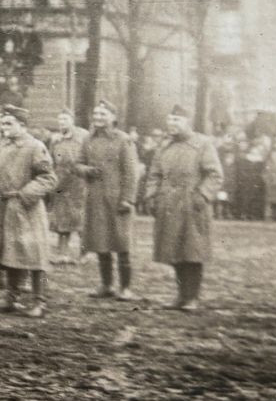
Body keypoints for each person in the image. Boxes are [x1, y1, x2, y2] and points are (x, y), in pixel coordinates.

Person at [0, 105, 59, 318]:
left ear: (22, 125)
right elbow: (0, 174)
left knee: (34, 255)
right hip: (6, 209)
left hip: (27, 209)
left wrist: (24, 195)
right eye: (2, 124)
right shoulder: (2, 146)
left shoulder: (34, 146)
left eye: (9, 124)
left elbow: (48, 178)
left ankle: (39, 301)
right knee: (12, 253)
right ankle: (11, 298)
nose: (4, 128)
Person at [141, 105, 223, 311]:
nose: (172, 124)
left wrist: (203, 195)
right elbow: (154, 174)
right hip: (168, 204)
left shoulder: (202, 144)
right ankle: (181, 295)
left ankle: (192, 297)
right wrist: (152, 196)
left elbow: (215, 174)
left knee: (193, 251)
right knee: (173, 250)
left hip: (192, 205)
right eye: (170, 120)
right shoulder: (164, 146)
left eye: (177, 120)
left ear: (187, 122)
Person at [79, 101, 140, 300]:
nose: (98, 117)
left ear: (113, 117)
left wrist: (128, 199)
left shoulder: (123, 140)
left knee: (122, 244)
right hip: (96, 198)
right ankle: (106, 285)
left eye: (103, 114)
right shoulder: (88, 139)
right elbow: (77, 164)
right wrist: (86, 170)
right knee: (101, 242)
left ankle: (126, 288)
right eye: (96, 114)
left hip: (117, 201)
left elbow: (131, 173)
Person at [47, 110, 89, 263]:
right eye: (60, 119)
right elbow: (50, 159)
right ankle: (63, 254)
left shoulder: (83, 136)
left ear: (72, 120)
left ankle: (84, 254)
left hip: (78, 182)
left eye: (65, 119)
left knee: (80, 219)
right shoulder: (55, 139)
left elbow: (89, 158)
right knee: (61, 219)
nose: (62, 122)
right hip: (60, 182)